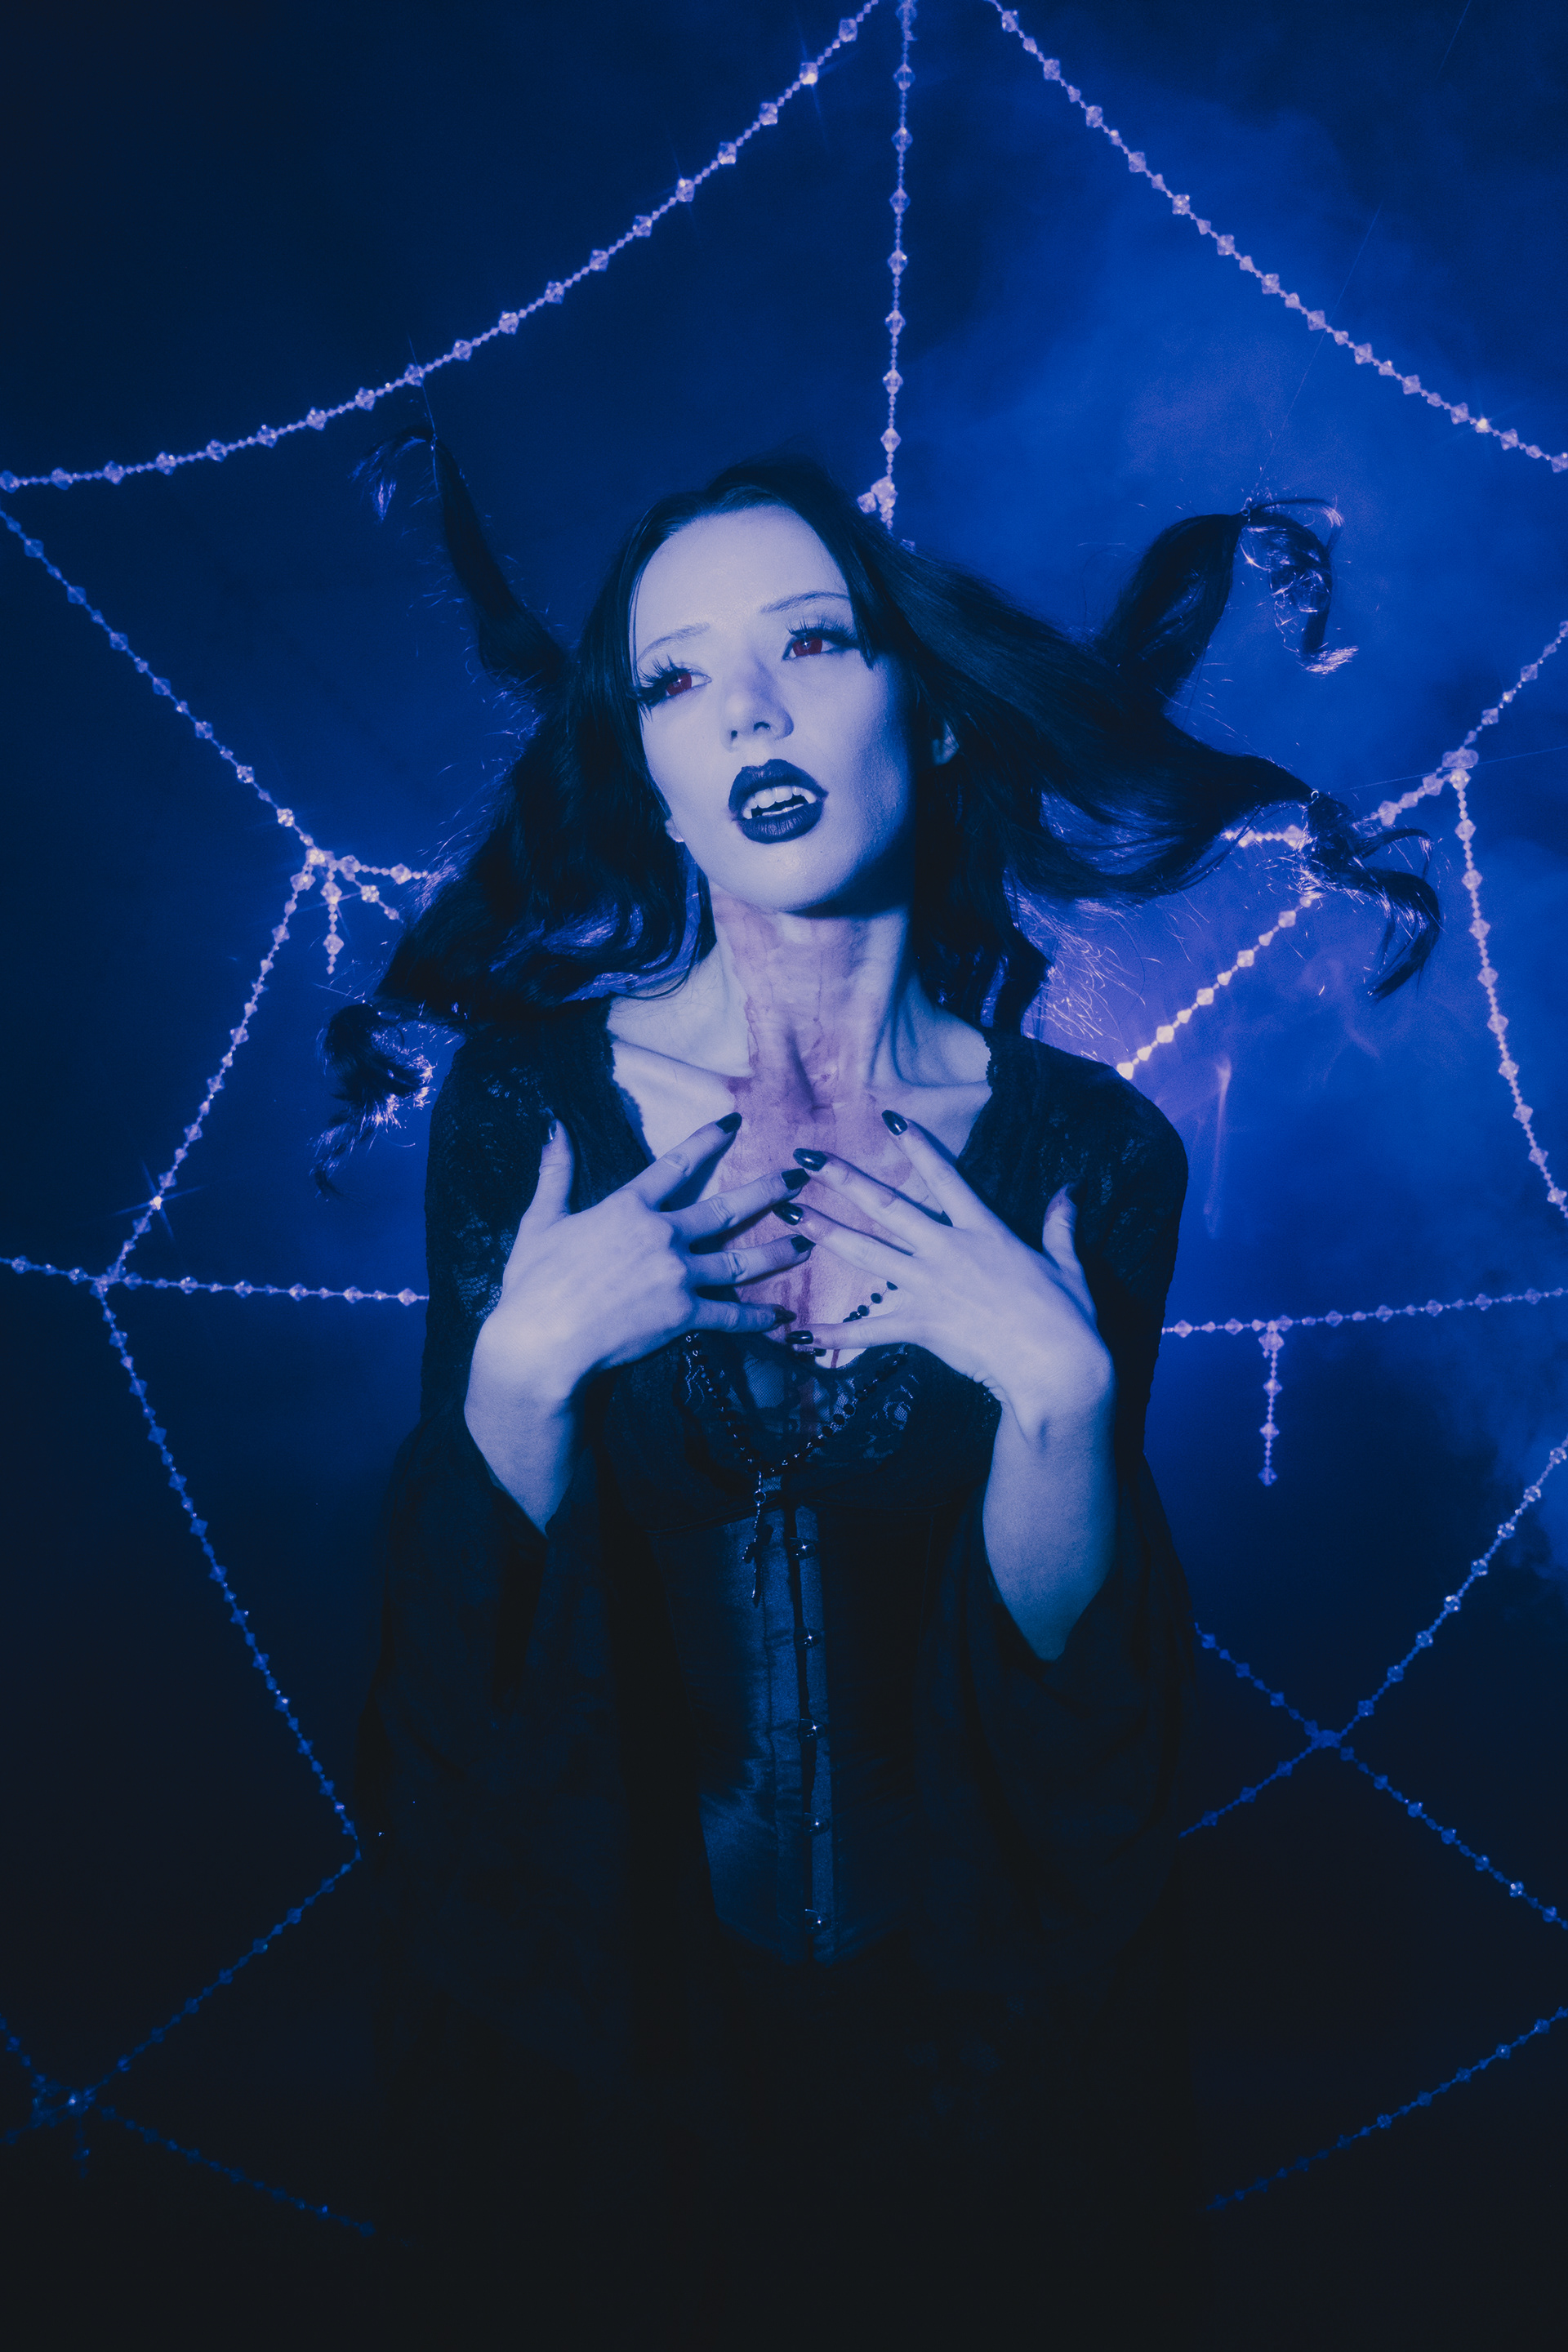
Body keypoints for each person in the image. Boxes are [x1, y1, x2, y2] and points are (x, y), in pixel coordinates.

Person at [324, 445, 1434, 2346]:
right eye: (677, 679)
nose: (748, 711)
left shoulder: (1096, 1154)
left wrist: (1060, 1405)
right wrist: (517, 1371)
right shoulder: (529, 1111)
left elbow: (1078, 1712)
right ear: (649, 778)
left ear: (928, 715)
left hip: (976, 2066)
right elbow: (449, 1673)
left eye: (812, 644)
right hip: (617, 2051)